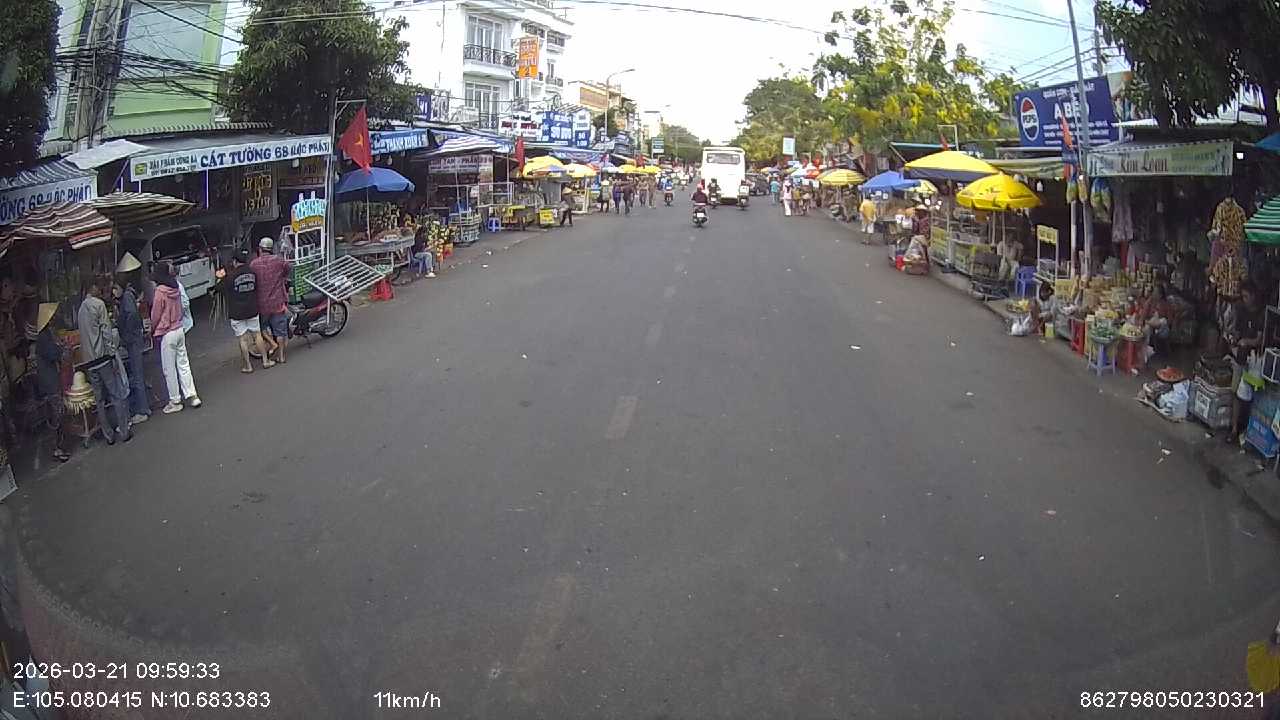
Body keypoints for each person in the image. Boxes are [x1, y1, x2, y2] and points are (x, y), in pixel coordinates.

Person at [76, 277, 133, 443]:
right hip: (103, 357)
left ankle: (108, 435)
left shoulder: (80, 310)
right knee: (116, 394)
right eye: (98, 287)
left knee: (99, 400)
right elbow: (107, 333)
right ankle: (124, 431)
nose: (100, 290)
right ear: (92, 287)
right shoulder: (98, 305)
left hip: (89, 361)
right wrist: (113, 354)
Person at [149, 264, 200, 414]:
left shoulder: (160, 291)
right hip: (179, 329)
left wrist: (152, 329)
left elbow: (156, 315)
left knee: (169, 369)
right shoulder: (175, 286)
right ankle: (192, 395)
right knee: (183, 364)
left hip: (167, 333)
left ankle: (175, 400)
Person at [218, 251, 276, 373]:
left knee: (242, 339)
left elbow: (220, 289)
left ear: (234, 261)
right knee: (257, 335)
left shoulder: (231, 276)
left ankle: (248, 366)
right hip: (252, 309)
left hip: (237, 313)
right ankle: (265, 361)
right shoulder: (253, 273)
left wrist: (220, 277)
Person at [1226, 281, 1265, 445]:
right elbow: (1237, 330)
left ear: (1254, 296)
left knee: (1250, 397)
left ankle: (1247, 430)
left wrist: (1246, 342)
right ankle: (1234, 429)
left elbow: (1259, 340)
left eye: (1246, 296)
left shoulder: (1261, 315)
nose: (1244, 299)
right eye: (1242, 296)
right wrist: (1234, 337)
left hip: (1255, 361)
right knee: (1236, 393)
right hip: (1240, 358)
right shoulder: (1241, 311)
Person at [33, 304, 69, 462]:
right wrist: (62, 349)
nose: (54, 317)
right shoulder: (43, 337)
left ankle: (59, 445)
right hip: (49, 380)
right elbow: (53, 353)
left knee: (57, 411)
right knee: (57, 413)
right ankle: (56, 448)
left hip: (51, 378)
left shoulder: (47, 334)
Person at [112, 277, 150, 424]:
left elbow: (132, 315)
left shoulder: (127, 296)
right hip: (133, 339)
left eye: (115, 288)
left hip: (133, 340)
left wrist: (127, 333)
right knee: (137, 374)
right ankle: (143, 408)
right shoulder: (127, 297)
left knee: (137, 375)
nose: (114, 291)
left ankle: (143, 410)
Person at [251, 237, 292, 364]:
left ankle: (271, 343)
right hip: (277, 303)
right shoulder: (279, 261)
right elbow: (289, 268)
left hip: (261, 304)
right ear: (271, 249)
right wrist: (281, 277)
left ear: (260, 249)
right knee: (280, 332)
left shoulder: (253, 264)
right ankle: (281, 356)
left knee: (262, 328)